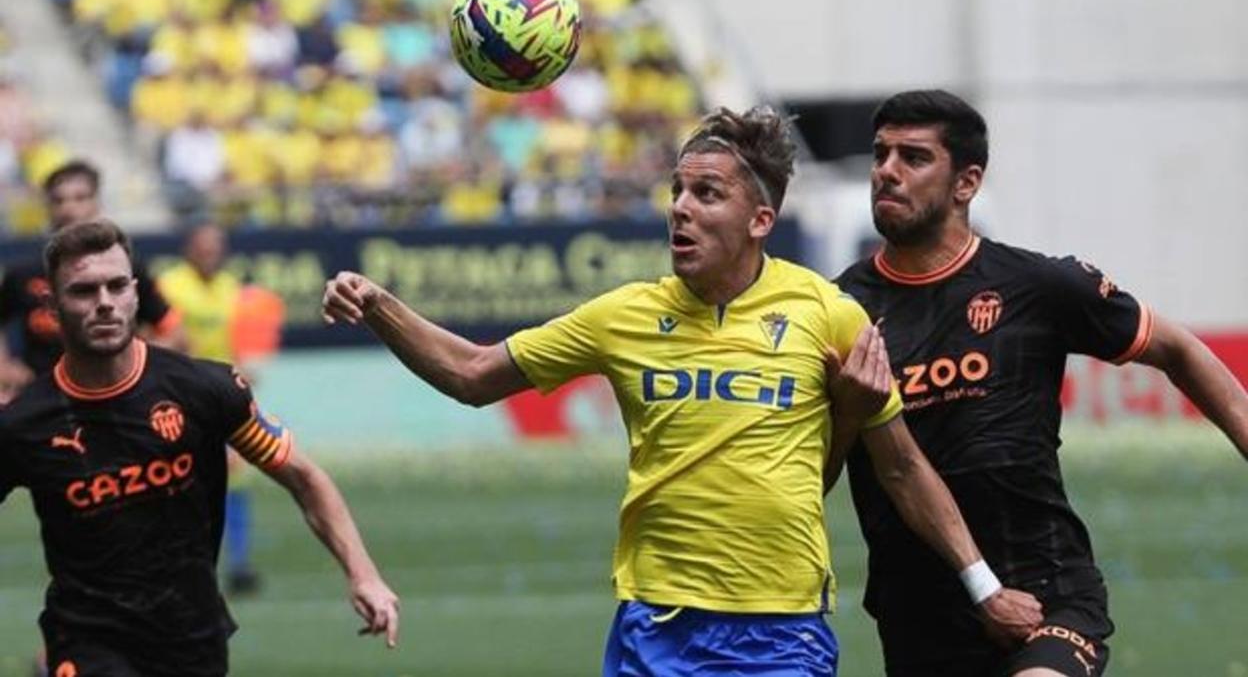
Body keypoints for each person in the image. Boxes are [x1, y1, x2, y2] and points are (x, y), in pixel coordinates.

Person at [322, 106, 1041, 676]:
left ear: (761, 221)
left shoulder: (829, 313)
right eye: (677, 191)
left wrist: (983, 586)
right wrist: (381, 305)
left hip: (781, 632)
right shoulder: (624, 315)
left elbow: (903, 466)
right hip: (654, 627)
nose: (681, 209)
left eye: (707, 194)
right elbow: (473, 375)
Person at [833, 89, 1248, 677]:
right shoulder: (836, 310)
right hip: (918, 611)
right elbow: (816, 474)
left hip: (1047, 586)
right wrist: (850, 413)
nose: (887, 173)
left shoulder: (1037, 286)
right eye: (881, 155)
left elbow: (1177, 349)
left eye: (913, 158)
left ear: (966, 183)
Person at [0, 219, 399, 676]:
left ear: (135, 292)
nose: (105, 303)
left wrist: (364, 574)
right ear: (52, 306)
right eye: (84, 291)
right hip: (86, 643)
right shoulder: (24, 423)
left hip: (193, 639)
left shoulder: (203, 389)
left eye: (115, 286)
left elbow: (304, 478)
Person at [0, 160, 184, 402]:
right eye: (59, 200)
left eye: (80, 198)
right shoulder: (22, 273)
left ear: (97, 202)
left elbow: (176, 334)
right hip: (45, 403)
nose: (69, 208)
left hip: (116, 398)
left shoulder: (127, 269)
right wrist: (4, 366)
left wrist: (138, 362)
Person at [157, 219, 264, 595]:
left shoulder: (231, 289)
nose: (209, 253)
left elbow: (234, 338)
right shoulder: (170, 286)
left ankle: (239, 563)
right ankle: (179, 562)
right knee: (178, 477)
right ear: (189, 248)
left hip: (221, 395)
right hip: (179, 395)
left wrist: (244, 371)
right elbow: (158, 337)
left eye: (215, 246)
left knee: (235, 476)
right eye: (203, 246)